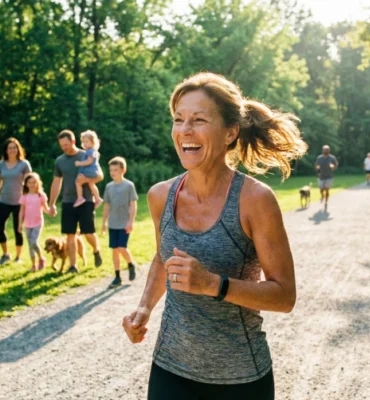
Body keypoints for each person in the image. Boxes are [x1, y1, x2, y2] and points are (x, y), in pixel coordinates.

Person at [122, 72, 307, 400]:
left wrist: (212, 284)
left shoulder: (254, 200)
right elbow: (165, 257)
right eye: (178, 119)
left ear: (230, 132)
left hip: (240, 379)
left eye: (199, 120)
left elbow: (284, 296)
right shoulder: (160, 195)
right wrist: (145, 308)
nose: (184, 130)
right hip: (170, 370)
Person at [48, 130, 104, 273]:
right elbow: (56, 182)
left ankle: (96, 250)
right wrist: (52, 203)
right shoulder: (60, 161)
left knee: (88, 232)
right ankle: (73, 266)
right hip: (68, 201)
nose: (64, 147)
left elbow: (100, 175)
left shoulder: (86, 154)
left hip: (86, 200)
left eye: (66, 144)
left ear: (73, 142)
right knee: (70, 235)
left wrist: (87, 180)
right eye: (61, 145)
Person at [0, 137, 32, 265]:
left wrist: (30, 199)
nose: (12, 150)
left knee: (18, 229)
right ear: (6, 150)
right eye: (10, 148)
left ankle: (18, 257)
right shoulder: (1, 164)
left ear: (18, 149)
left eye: (14, 148)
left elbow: (30, 183)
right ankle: (5, 254)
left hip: (20, 202)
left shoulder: (24, 164)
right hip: (4, 201)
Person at [101, 156, 138, 288]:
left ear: (123, 170)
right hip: (113, 224)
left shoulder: (129, 186)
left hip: (124, 223)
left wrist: (130, 222)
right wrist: (103, 223)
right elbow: (106, 206)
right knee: (115, 250)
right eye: (111, 170)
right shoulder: (109, 187)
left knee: (122, 248)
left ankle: (130, 264)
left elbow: (133, 205)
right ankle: (117, 277)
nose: (113, 172)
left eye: (116, 169)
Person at [18, 172, 50, 272]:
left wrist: (50, 212)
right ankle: (33, 265)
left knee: (33, 242)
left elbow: (45, 208)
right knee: (30, 245)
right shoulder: (24, 196)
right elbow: (22, 211)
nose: (32, 185)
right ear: (26, 184)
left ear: (38, 183)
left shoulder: (41, 195)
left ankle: (41, 258)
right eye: (30, 183)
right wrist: (20, 223)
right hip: (28, 224)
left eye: (34, 182)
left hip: (38, 223)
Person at [73, 130, 104, 208]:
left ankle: (80, 198)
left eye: (87, 142)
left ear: (93, 142)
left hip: (90, 171)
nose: (85, 144)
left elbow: (89, 161)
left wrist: (80, 163)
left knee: (78, 182)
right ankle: (97, 198)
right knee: (91, 184)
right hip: (94, 171)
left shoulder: (90, 151)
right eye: (83, 142)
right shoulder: (94, 151)